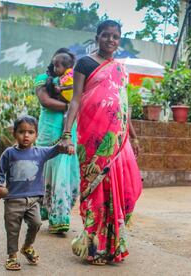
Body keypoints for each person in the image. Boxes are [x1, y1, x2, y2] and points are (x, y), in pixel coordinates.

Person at [60, 20, 143, 264]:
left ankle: (113, 246)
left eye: (115, 36)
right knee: (96, 187)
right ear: (97, 37)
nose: (110, 40)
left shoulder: (120, 68)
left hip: (117, 140)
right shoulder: (84, 63)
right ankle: (94, 246)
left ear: (119, 40)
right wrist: (66, 133)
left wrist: (134, 136)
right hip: (93, 138)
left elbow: (124, 106)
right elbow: (75, 100)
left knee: (120, 189)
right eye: (106, 35)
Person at [0, 115, 65, 270]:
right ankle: (12, 256)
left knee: (36, 223)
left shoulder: (41, 152)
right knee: (12, 229)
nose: (26, 135)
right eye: (21, 132)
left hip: (33, 200)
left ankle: (27, 246)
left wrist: (66, 143)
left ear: (36, 135)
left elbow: (57, 149)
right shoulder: (9, 153)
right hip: (13, 201)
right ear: (14, 133)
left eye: (30, 132)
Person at [34, 48, 80, 234]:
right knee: (46, 172)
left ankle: (60, 218)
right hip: (48, 132)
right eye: (55, 63)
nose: (56, 67)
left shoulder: (73, 80)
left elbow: (79, 97)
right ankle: (42, 213)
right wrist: (72, 105)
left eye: (60, 64)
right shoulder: (42, 79)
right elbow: (45, 101)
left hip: (68, 132)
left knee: (65, 175)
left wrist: (74, 103)